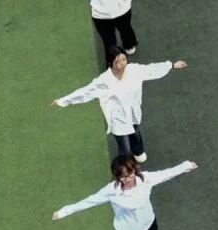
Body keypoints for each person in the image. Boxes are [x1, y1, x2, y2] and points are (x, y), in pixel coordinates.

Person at [53, 46, 187, 159]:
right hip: (118, 117)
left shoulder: (134, 70)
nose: (122, 64)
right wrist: (63, 101)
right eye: (118, 61)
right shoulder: (104, 81)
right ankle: (126, 167)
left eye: (124, 59)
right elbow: (85, 92)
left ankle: (138, 151)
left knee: (135, 132)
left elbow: (151, 69)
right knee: (124, 147)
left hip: (133, 111)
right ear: (110, 63)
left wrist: (171, 65)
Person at [52, 156, 197, 230]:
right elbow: (90, 201)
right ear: (117, 176)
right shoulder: (111, 190)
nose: (127, 179)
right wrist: (64, 212)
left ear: (135, 170)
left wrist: (186, 166)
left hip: (148, 221)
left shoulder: (146, 179)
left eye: (130, 174)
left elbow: (165, 174)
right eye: (122, 177)